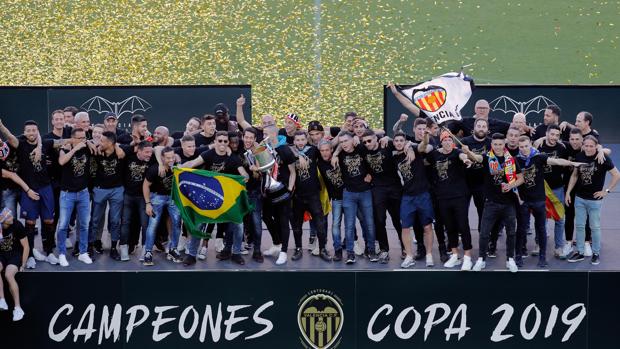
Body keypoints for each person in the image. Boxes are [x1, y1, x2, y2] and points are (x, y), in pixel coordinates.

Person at [179, 131, 250, 265]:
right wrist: (179, 168)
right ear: (215, 142)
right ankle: (192, 255)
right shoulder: (208, 154)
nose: (222, 143)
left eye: (225, 141)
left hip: (229, 199)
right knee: (199, 223)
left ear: (228, 143)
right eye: (220, 141)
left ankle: (236, 253)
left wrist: (245, 178)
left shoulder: (233, 158)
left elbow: (244, 174)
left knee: (239, 225)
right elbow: (193, 163)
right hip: (209, 197)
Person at [515, 135, 582, 268]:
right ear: (519, 147)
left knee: (541, 229)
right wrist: (517, 196)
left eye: (526, 146)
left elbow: (556, 161)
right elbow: (512, 179)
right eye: (521, 147)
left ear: (531, 145)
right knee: (521, 229)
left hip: (539, 200)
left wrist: (571, 163)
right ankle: (518, 256)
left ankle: (542, 257)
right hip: (524, 201)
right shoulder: (515, 160)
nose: (524, 149)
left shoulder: (539, 157)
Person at [463, 133, 524, 272]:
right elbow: (476, 158)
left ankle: (510, 259)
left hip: (509, 203)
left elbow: (521, 178)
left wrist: (511, 185)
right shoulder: (487, 157)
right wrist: (468, 152)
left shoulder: (512, 160)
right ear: (492, 145)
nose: (497, 146)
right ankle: (481, 259)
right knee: (484, 233)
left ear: (504, 144)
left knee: (511, 233)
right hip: (491, 203)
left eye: (500, 144)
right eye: (495, 144)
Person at [2, 120, 57, 268]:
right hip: (22, 189)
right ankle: (28, 254)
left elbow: (59, 141)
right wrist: (1, 126)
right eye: (29, 130)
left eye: (34, 130)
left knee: (48, 221)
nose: (31, 132)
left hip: (42, 187)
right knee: (28, 222)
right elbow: (9, 135)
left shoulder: (42, 142)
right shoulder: (18, 143)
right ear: (24, 132)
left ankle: (49, 251)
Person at [422, 130, 475, 270]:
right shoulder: (435, 155)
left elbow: (463, 156)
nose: (447, 142)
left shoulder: (457, 153)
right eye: (445, 140)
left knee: (463, 226)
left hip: (459, 197)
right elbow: (423, 156)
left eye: (450, 140)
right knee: (449, 227)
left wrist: (467, 159)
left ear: (453, 142)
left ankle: (468, 256)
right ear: (441, 142)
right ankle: (455, 255)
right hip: (442, 197)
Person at [566, 136, 620, 264]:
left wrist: (606, 191)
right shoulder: (579, 157)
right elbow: (574, 176)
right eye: (586, 146)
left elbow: (617, 175)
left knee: (594, 227)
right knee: (579, 226)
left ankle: (596, 252)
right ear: (583, 146)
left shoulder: (603, 158)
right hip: (579, 198)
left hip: (595, 200)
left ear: (596, 146)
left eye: (591, 146)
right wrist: (568, 192)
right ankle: (580, 252)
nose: (588, 148)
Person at [332, 131, 378, 264]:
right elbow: (332, 145)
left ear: (353, 140)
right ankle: (350, 253)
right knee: (349, 225)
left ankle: (371, 250)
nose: (343, 144)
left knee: (369, 223)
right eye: (341, 142)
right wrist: (335, 153)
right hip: (349, 193)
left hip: (365, 192)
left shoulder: (362, 148)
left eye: (346, 141)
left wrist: (370, 175)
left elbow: (373, 157)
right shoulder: (339, 154)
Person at [360, 129, 405, 263]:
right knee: (379, 220)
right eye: (364, 142)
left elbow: (402, 143)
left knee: (398, 220)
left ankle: (404, 247)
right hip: (378, 188)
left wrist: (389, 137)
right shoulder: (363, 148)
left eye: (369, 141)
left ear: (376, 139)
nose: (367, 144)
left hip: (394, 187)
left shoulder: (387, 144)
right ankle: (384, 250)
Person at [290, 131, 331, 262]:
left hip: (313, 194)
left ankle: (322, 249)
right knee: (297, 225)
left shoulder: (313, 150)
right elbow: (282, 147)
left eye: (302, 139)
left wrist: (335, 153)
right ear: (294, 141)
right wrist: (298, 155)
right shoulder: (290, 152)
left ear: (306, 140)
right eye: (298, 140)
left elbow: (331, 145)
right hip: (298, 196)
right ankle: (298, 249)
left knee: (320, 223)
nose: (300, 142)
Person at [55, 128, 93, 266]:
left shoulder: (87, 148)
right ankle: (62, 254)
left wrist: (89, 143)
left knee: (84, 224)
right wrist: (75, 148)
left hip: (83, 193)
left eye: (84, 137)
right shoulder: (64, 148)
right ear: (72, 138)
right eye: (79, 138)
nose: (83, 140)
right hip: (67, 194)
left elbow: (98, 145)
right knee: (63, 225)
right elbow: (62, 161)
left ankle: (83, 252)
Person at [260, 126, 296, 265]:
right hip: (269, 191)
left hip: (283, 191)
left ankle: (284, 252)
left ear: (274, 134)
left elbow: (293, 171)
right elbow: (263, 170)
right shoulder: (264, 149)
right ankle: (277, 244)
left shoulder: (285, 149)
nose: (264, 135)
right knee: (267, 217)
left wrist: (290, 189)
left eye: (266, 133)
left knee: (283, 221)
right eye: (263, 133)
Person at [142, 147, 182, 266]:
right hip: (157, 198)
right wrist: (148, 203)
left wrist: (178, 164)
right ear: (162, 158)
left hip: (172, 198)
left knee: (177, 222)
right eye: (168, 158)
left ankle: (173, 249)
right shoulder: (155, 169)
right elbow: (145, 186)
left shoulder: (176, 167)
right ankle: (148, 252)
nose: (170, 160)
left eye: (172, 157)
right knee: (153, 225)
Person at [90, 131, 126, 260]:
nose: (100, 142)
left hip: (117, 189)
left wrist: (117, 147)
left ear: (111, 143)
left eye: (103, 141)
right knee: (95, 219)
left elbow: (134, 144)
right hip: (100, 189)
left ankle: (113, 249)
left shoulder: (121, 152)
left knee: (115, 221)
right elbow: (86, 142)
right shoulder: (96, 151)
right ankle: (90, 247)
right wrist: (92, 144)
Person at [120, 141, 154, 260]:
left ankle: (145, 249)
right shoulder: (129, 158)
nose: (149, 154)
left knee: (145, 224)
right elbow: (120, 147)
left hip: (143, 197)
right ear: (138, 151)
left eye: (151, 152)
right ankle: (123, 247)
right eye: (146, 152)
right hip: (128, 195)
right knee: (125, 222)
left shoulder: (153, 160)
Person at [317, 140, 345, 261]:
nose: (325, 153)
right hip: (336, 199)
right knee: (335, 225)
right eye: (322, 150)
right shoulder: (319, 164)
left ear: (331, 150)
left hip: (351, 195)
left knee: (360, 222)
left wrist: (336, 153)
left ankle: (366, 247)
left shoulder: (340, 156)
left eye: (327, 150)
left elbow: (344, 140)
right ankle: (338, 250)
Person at [0, 208, 28, 321]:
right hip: (2, 255)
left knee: (8, 275)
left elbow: (26, 246)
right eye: (9, 216)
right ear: (3, 220)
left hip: (14, 255)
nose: (12, 217)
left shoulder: (17, 225)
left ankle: (18, 308)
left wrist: (23, 264)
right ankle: (2, 300)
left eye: (11, 215)